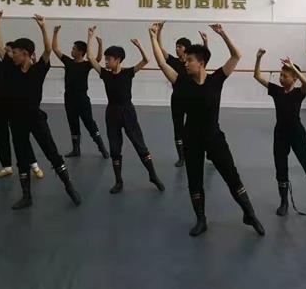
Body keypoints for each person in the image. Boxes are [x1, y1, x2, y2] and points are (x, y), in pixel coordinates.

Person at [149, 23, 264, 237]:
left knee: (231, 175)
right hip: (191, 139)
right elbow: (161, 62)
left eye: (189, 60)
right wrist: (153, 37)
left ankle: (249, 213)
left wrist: (223, 34)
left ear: (201, 63)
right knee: (195, 180)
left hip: (214, 137)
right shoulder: (181, 81)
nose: (185, 63)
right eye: (185, 60)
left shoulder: (216, 80)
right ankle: (201, 219)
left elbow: (236, 56)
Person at [0, 13, 81, 210]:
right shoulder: (12, 69)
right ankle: (26, 196)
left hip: (35, 119)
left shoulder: (38, 70)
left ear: (26, 54)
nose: (12, 55)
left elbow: (47, 50)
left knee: (52, 153)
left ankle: (69, 186)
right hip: (16, 121)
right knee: (22, 158)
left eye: (15, 52)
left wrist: (43, 27)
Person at [253, 49, 306, 216]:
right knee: (281, 167)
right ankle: (284, 201)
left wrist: (293, 66)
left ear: (294, 79)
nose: (281, 78)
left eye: (285, 76)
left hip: (297, 133)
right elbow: (257, 76)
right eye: (281, 75)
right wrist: (258, 58)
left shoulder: (299, 93)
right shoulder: (276, 91)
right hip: (280, 134)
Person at [86, 26, 164, 195]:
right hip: (112, 113)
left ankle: (153, 175)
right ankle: (118, 181)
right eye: (105, 59)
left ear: (118, 60)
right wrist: (90, 37)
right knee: (115, 149)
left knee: (140, 145)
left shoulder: (128, 73)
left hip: (128, 112)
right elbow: (90, 58)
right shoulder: (105, 74)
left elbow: (146, 60)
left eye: (109, 59)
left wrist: (139, 46)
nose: (106, 62)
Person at [0, 12, 43, 179]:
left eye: (12, 51)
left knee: (21, 137)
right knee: (1, 136)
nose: (9, 53)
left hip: (13, 107)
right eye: (9, 51)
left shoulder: (15, 68)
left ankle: (34, 165)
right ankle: (7, 166)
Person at [155, 21, 208, 167]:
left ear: (186, 49)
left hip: (192, 99)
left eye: (180, 46)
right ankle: (181, 157)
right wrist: (159, 32)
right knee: (177, 127)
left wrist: (205, 42)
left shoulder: (193, 64)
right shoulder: (173, 61)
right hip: (177, 99)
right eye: (176, 46)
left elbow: (204, 57)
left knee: (198, 126)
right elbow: (160, 49)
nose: (177, 49)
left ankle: (207, 151)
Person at [52, 25, 109, 159]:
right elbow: (55, 49)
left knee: (89, 123)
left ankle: (102, 148)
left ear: (80, 52)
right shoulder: (68, 62)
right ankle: (76, 149)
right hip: (69, 98)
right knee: (73, 123)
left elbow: (98, 58)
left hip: (82, 98)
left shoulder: (86, 64)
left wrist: (99, 44)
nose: (71, 50)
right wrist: (55, 33)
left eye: (74, 49)